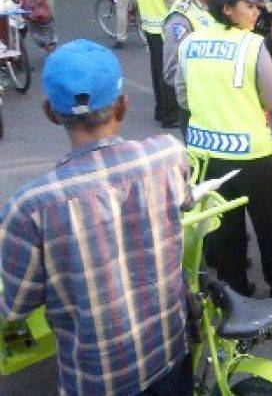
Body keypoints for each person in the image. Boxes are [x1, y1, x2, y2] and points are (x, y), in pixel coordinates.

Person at [0, 40, 193, 395]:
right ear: (123, 104)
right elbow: (185, 206)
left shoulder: (29, 207)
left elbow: (14, 308)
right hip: (169, 356)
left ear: (50, 112)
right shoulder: (169, 155)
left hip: (97, 381)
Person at [176, 0, 272, 299]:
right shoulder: (252, 46)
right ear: (227, 8)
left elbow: (181, 95)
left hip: (206, 155)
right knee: (268, 225)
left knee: (225, 226)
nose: (256, 11)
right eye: (249, 5)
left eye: (256, 5)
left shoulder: (190, 43)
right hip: (252, 156)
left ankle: (236, 290)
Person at [163, 0, 237, 137]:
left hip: (224, 110)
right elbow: (172, 72)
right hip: (200, 116)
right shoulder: (182, 17)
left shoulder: (215, 7)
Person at [134, 0, 179, 128]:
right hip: (164, 29)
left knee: (156, 70)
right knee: (168, 73)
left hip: (148, 28)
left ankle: (160, 110)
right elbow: (172, 5)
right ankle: (169, 116)